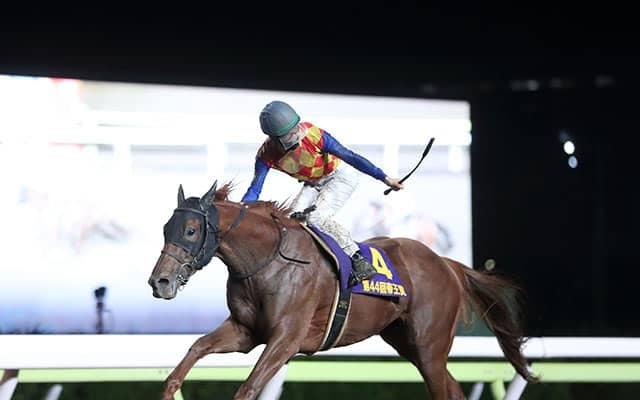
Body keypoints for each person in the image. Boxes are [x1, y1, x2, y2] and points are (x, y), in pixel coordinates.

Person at [241, 100, 404, 287]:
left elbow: (349, 156)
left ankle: (359, 260)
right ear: (274, 139)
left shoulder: (313, 134)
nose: (297, 136)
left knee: (316, 218)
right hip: (313, 183)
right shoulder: (265, 155)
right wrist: (240, 212)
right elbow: (255, 189)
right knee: (290, 222)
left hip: (340, 176)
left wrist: (385, 178)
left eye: (296, 129)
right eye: (289, 135)